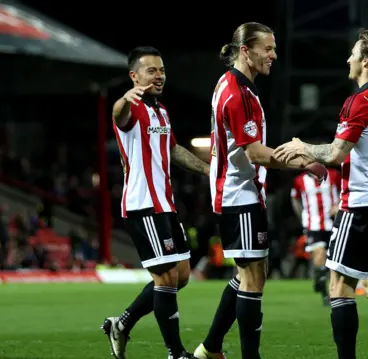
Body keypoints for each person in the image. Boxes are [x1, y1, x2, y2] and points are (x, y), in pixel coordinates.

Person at [193, 22, 326, 359]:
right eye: (267, 48)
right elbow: (254, 152)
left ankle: (210, 348)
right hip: (240, 195)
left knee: (250, 273)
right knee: (253, 278)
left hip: (238, 193)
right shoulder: (238, 94)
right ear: (245, 50)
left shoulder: (232, 86)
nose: (273, 55)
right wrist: (304, 161)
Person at [274, 29, 368, 359]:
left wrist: (301, 145)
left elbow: (335, 154)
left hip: (361, 205)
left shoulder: (359, 100)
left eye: (353, 53)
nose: (348, 59)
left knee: (339, 287)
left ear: (366, 61)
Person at [101, 46, 210, 359]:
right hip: (143, 205)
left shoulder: (160, 111)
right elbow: (117, 115)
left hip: (165, 204)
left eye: (161, 70)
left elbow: (174, 150)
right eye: (151, 70)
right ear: (134, 76)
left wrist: (208, 170)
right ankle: (176, 353)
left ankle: (120, 324)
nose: (159, 76)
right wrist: (125, 98)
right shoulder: (131, 109)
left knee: (182, 275)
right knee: (164, 278)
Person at [290, 166, 340, 304]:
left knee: (333, 261)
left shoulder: (334, 175)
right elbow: (295, 199)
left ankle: (321, 280)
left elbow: (346, 191)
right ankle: (325, 294)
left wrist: (338, 205)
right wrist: (302, 217)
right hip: (313, 226)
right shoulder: (299, 180)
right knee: (319, 255)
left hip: (334, 223)